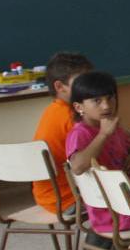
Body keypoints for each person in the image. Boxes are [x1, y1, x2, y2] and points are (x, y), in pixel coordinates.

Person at [65, 71, 130, 250]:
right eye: (97, 101)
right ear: (79, 107)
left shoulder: (113, 127)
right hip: (121, 212)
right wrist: (102, 135)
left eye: (110, 98)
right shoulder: (80, 133)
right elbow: (77, 167)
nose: (107, 106)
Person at [33, 51, 93, 214]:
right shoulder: (73, 116)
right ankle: (100, 237)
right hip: (72, 198)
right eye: (81, 82)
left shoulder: (51, 110)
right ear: (59, 87)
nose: (89, 87)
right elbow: (97, 161)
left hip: (47, 197)